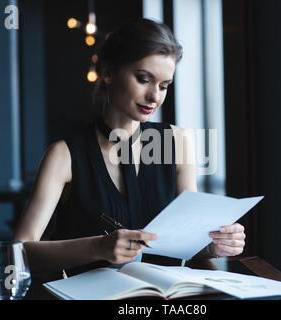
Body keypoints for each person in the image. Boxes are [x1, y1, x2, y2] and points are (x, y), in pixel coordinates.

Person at [13, 18, 245, 273]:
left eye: (164, 86)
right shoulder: (64, 154)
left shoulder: (177, 142)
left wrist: (212, 245)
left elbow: (188, 240)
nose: (154, 97)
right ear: (109, 73)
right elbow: (20, 250)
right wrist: (98, 247)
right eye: (143, 79)